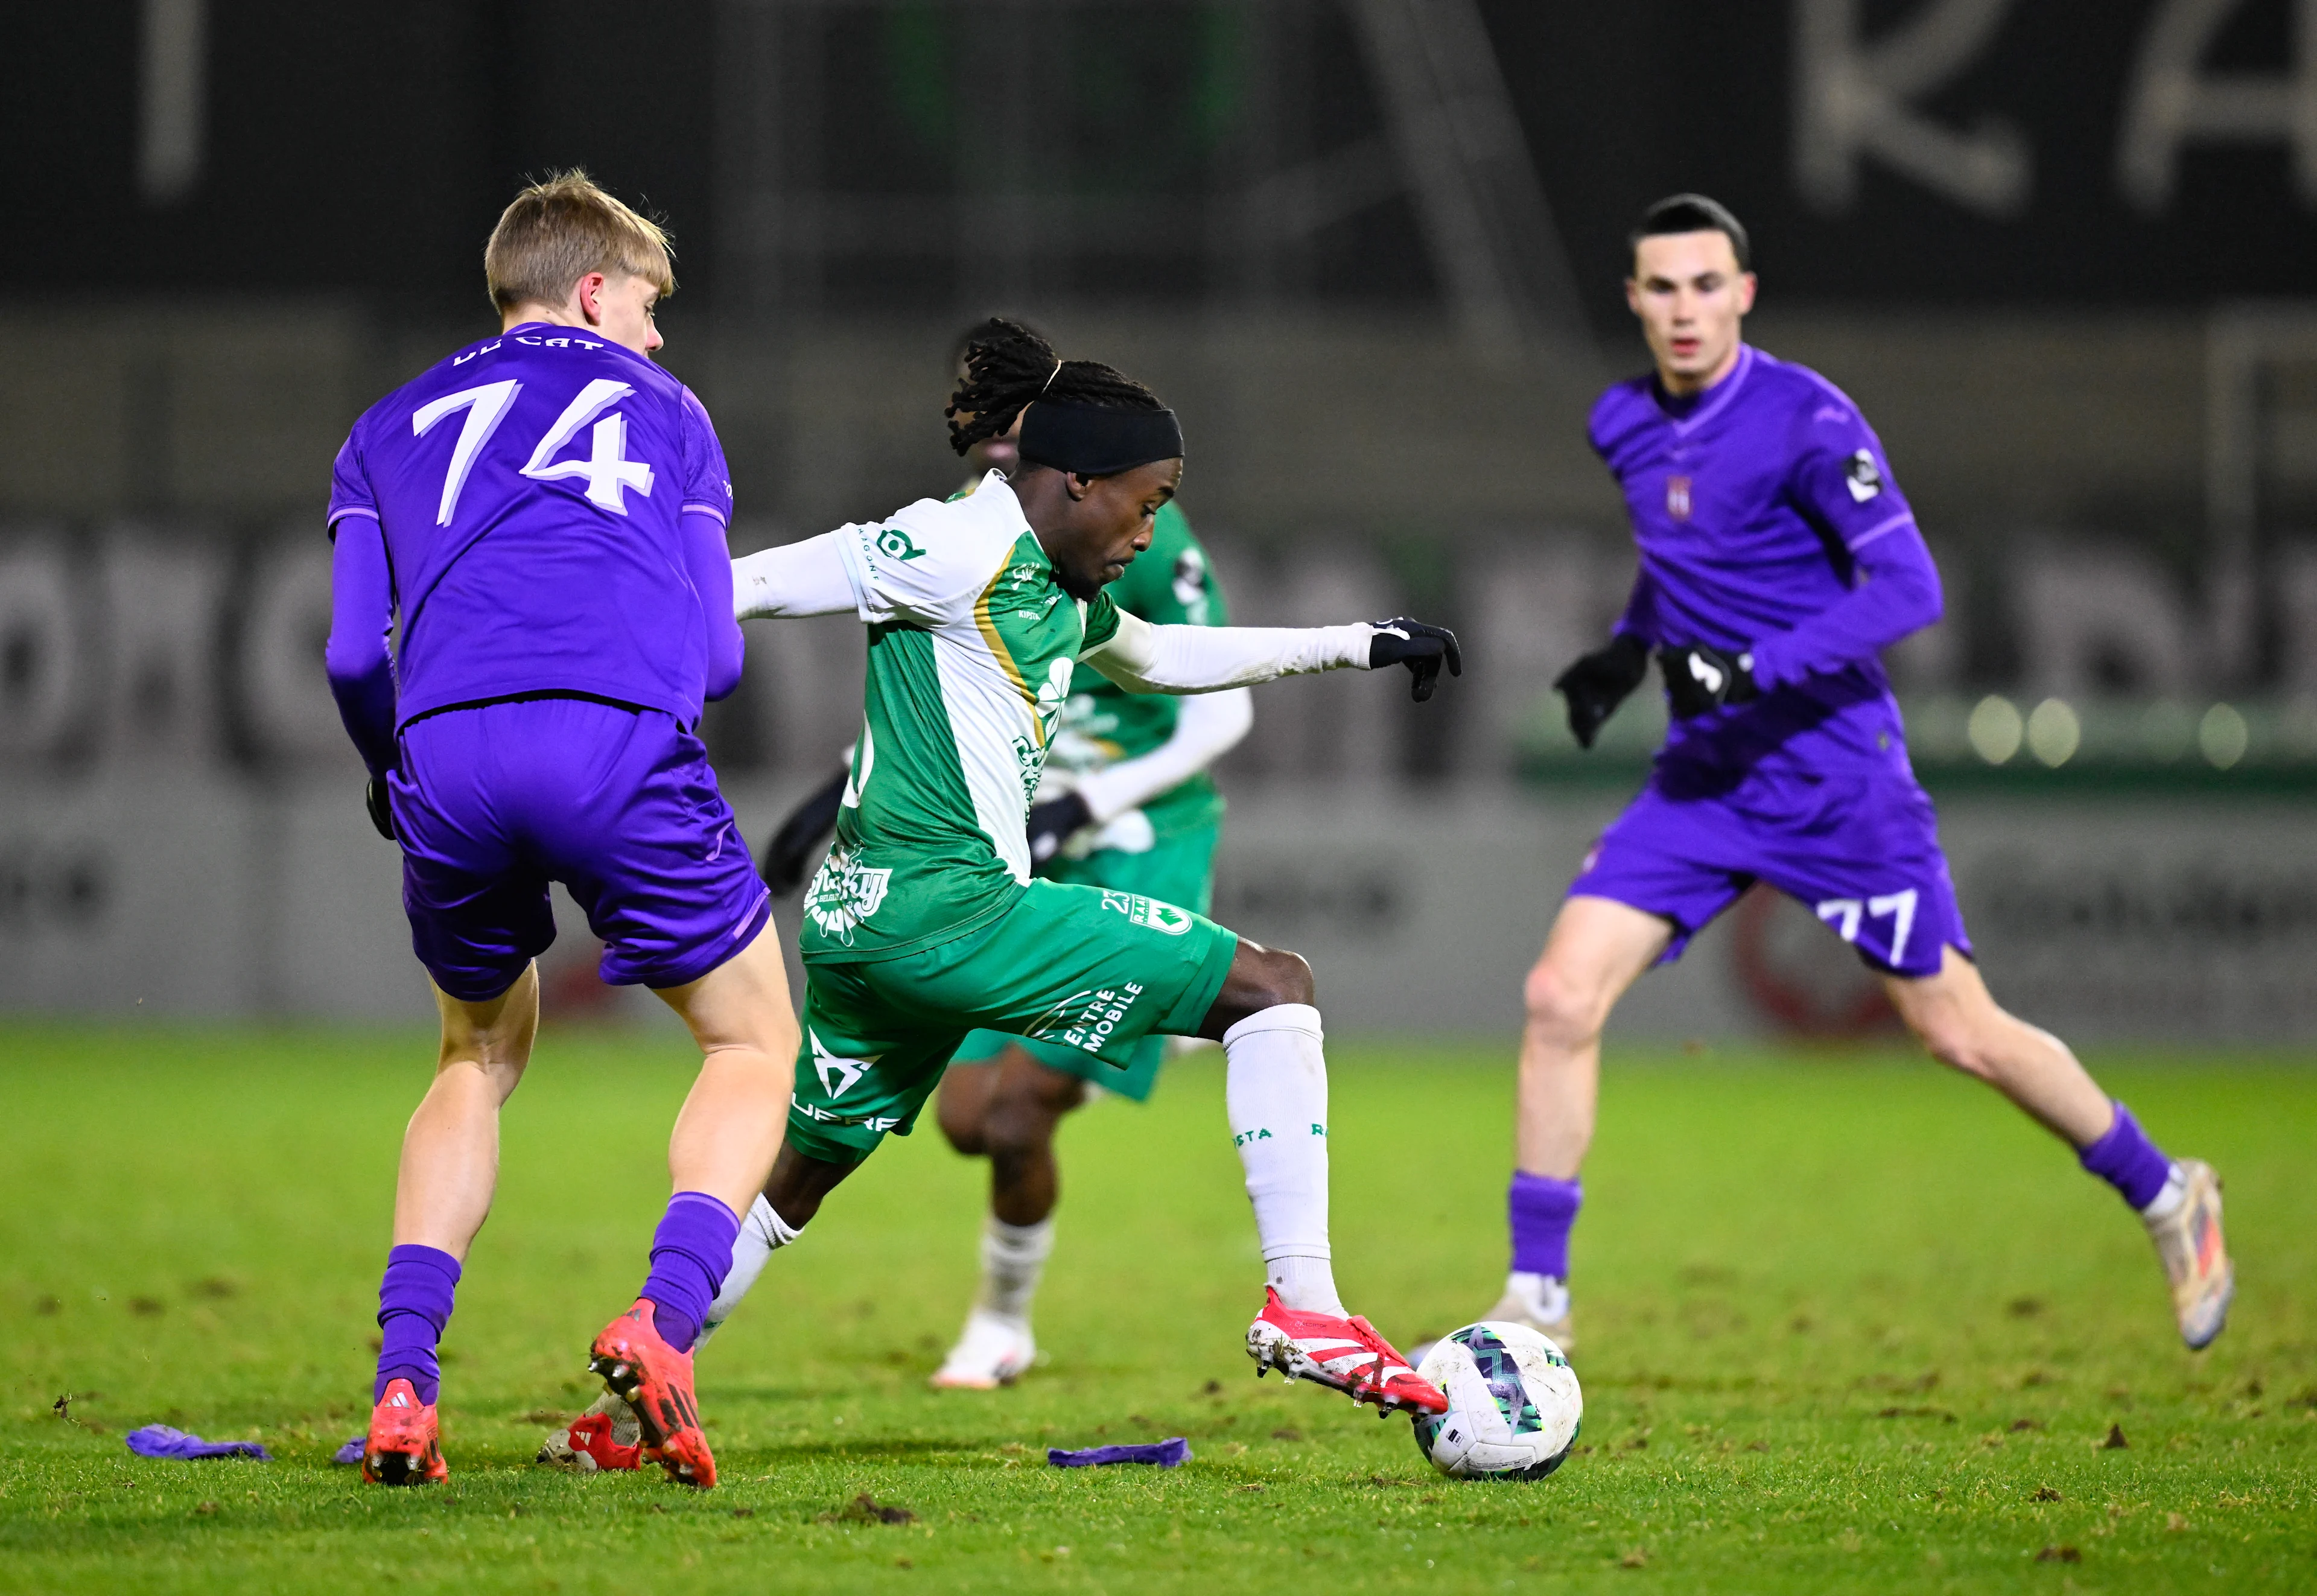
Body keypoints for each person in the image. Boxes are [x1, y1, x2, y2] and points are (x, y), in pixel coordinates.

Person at [541, 319, 1458, 1471]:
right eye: (1146, 498)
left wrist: (1360, 642)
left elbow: (1170, 660)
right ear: (1076, 479)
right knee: (1275, 990)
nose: (1152, 527)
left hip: (860, 926)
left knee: (791, 1184)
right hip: (952, 913)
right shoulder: (943, 544)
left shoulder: (1061, 586)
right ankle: (1305, 1304)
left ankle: (636, 1379)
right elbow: (739, 587)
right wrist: (537, 645)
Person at [1472, 194, 2232, 1356]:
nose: (1685, 310)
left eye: (1706, 286)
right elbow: (1679, 556)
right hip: (1702, 777)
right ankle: (1539, 1298)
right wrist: (1627, 655)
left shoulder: (1807, 420)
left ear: (1744, 294)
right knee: (1559, 997)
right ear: (1632, 300)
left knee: (1960, 1034)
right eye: (1662, 289)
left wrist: (1757, 666)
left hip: (1833, 777)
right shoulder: (1622, 419)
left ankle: (2167, 1192)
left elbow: (1909, 590)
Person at [324, 173, 799, 1490]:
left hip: (451, 753)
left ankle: (407, 1383)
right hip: (617, 745)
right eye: (650, 307)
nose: (658, 337)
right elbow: (714, 655)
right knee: (756, 1041)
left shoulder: (380, 427)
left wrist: (393, 773)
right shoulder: (672, 412)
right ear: (595, 291)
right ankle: (663, 1316)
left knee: (475, 1052)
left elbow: (354, 659)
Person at [751, 334, 1252, 1391]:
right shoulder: (986, 524)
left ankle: (1003, 1321)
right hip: (1005, 855)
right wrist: (827, 794)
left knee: (1020, 1107)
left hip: (1139, 839)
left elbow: (1218, 711)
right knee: (973, 1122)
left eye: (1001, 440)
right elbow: (949, 695)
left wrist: (1093, 797)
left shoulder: (1134, 523)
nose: (988, 462)